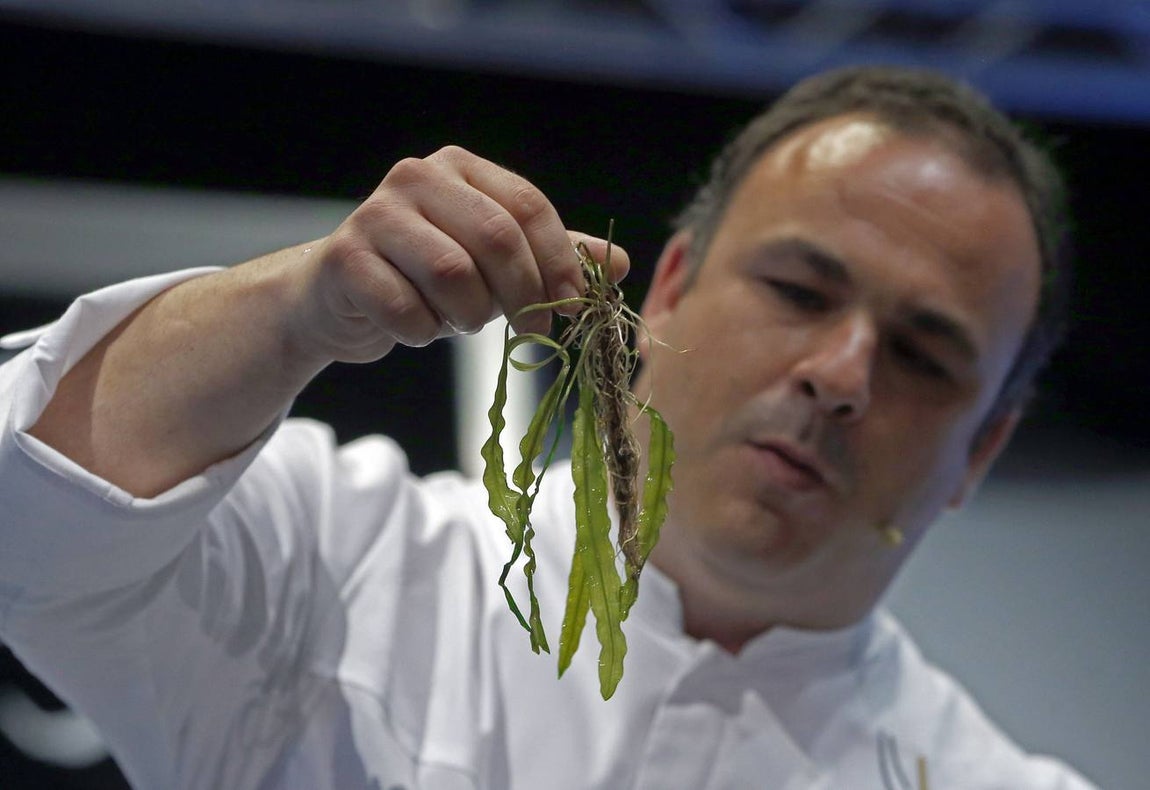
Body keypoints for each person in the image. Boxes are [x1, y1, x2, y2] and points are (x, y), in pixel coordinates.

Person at [0, 65, 1098, 789]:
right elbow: (27, 520)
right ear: (670, 289)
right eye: (800, 291)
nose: (840, 376)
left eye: (924, 356)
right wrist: (295, 310)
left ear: (982, 449)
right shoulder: (343, 561)